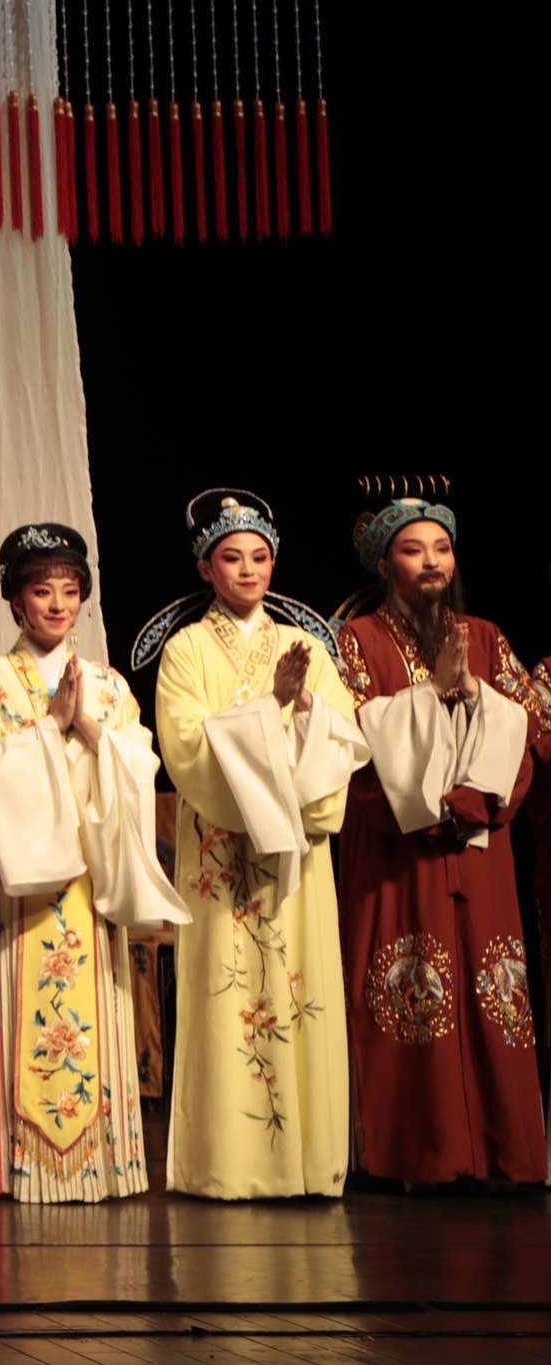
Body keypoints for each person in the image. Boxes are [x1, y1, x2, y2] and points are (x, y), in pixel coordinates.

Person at [138, 488, 368, 1199]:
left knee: (299, 991)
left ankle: (307, 1165)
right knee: (227, 991)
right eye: (231, 558)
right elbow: (186, 746)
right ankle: (228, 1166)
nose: (247, 570)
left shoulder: (308, 647)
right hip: (221, 847)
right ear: (205, 567)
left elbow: (343, 737)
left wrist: (304, 704)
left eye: (259, 557)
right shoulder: (185, 650)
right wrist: (271, 707)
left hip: (294, 853)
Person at [0, 523, 187, 1202]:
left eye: (69, 590)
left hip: (88, 877)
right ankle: (24, 1162)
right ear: (15, 600)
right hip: (21, 888)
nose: (57, 604)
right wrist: (49, 727)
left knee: (94, 1013)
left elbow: (139, 767)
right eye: (41, 590)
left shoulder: (109, 688)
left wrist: (87, 727)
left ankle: (100, 1161)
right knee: (20, 1006)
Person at [331, 494, 546, 1186]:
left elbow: (526, 730)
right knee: (412, 984)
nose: (432, 563)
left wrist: (478, 700)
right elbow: (349, 739)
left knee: (492, 988)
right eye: (413, 549)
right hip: (402, 851)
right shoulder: (357, 640)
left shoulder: (486, 635)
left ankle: (503, 1153)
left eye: (442, 549)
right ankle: (418, 1155)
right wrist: (432, 697)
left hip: (479, 846)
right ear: (385, 564)